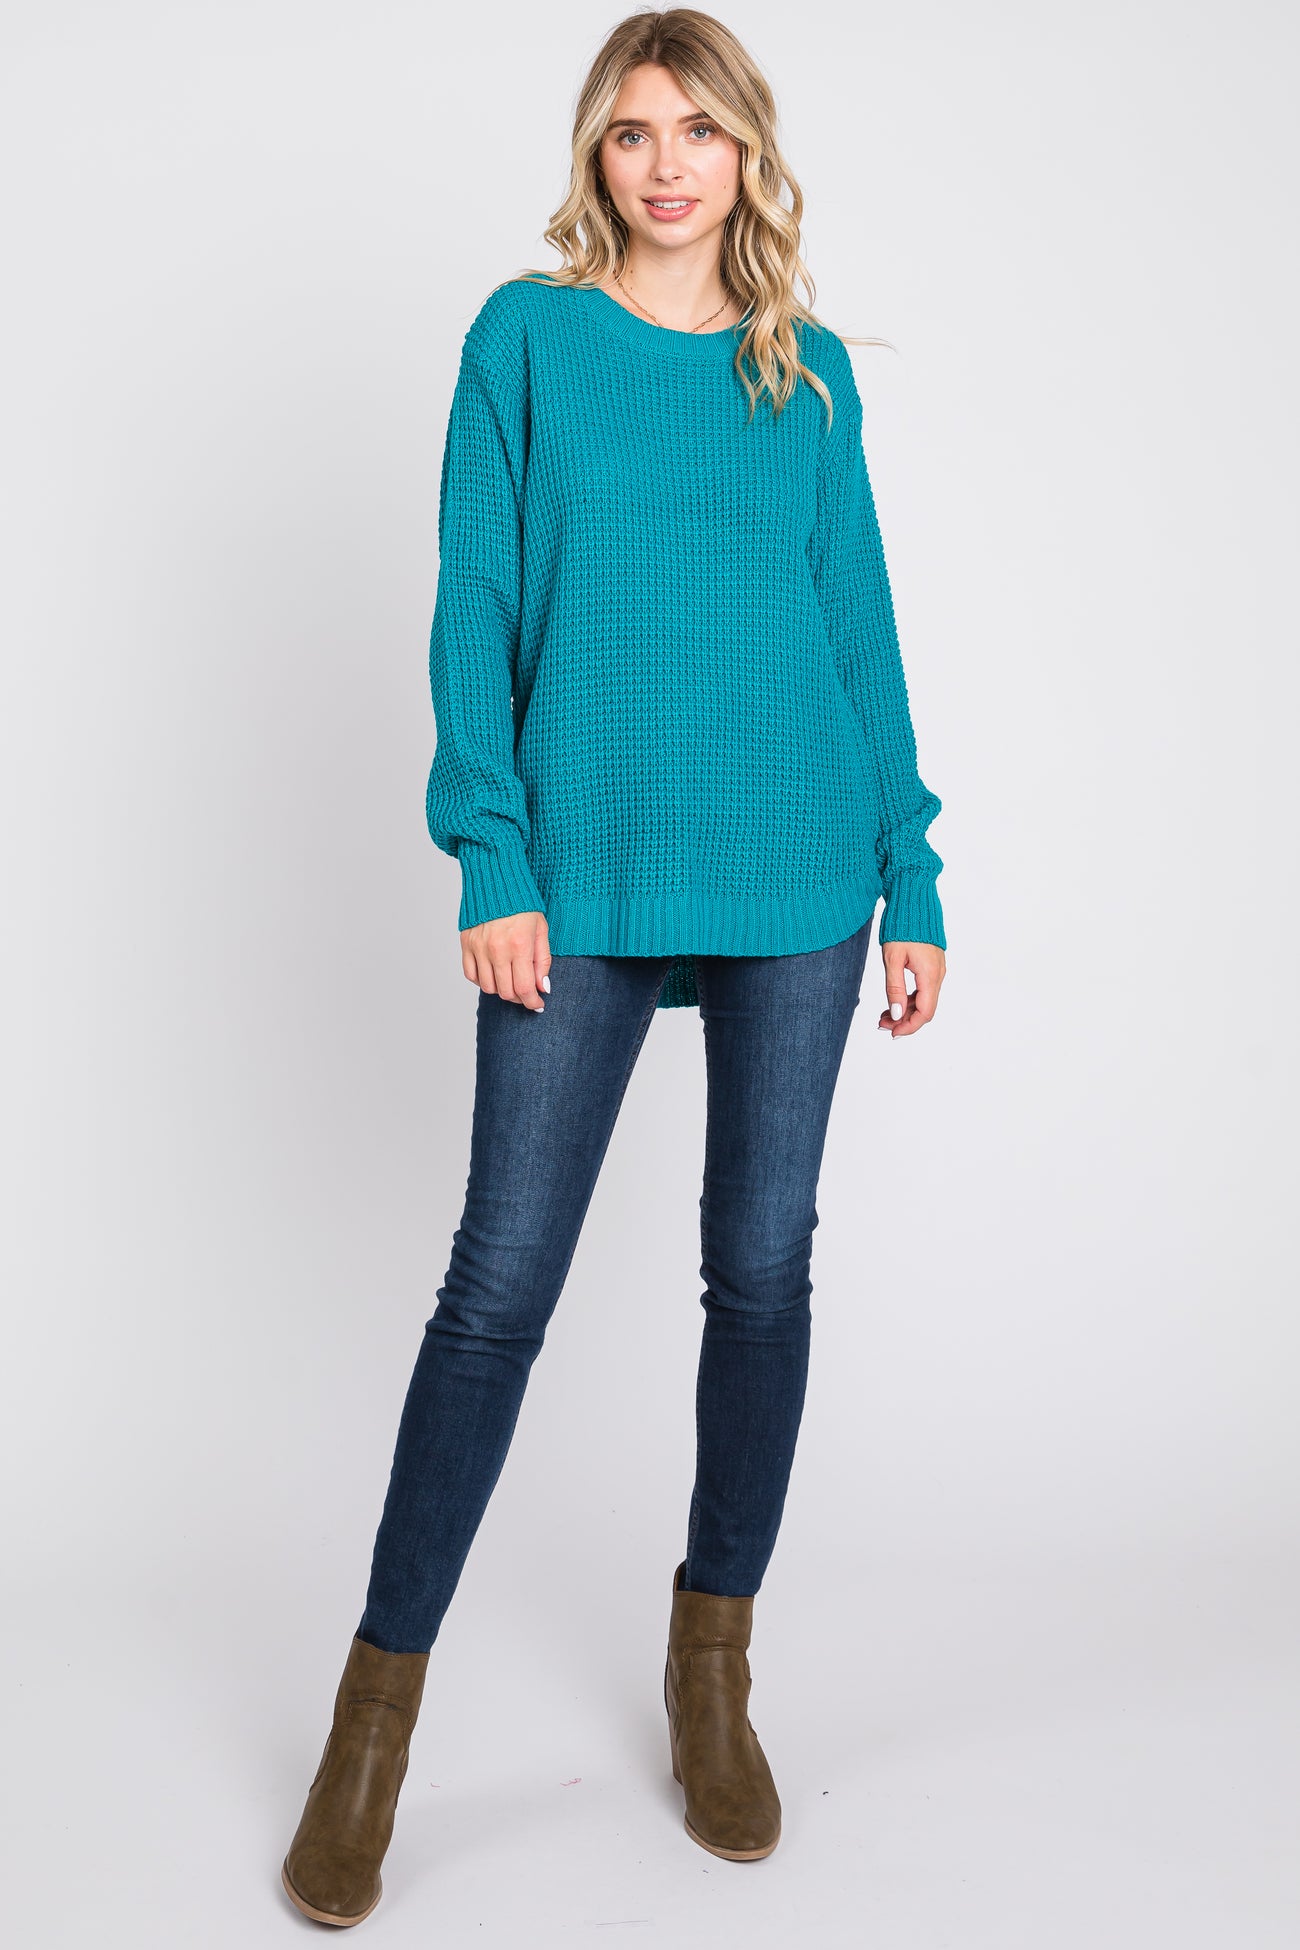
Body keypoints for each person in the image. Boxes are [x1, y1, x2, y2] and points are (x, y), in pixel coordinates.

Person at [281, 7, 947, 1926]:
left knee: (762, 1267)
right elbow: (474, 602)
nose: (668, 164)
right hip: (574, 875)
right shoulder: (527, 339)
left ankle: (711, 1669)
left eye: (700, 132)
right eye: (636, 130)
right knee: (498, 1286)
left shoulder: (804, 369)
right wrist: (491, 849)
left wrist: (910, 868)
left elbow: (858, 624)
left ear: (748, 157)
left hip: (800, 866)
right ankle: (372, 1726)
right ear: (597, 152)